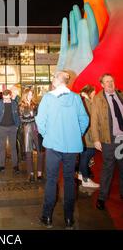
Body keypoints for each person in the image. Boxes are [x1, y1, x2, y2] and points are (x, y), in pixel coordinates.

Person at [35, 70, 89, 229]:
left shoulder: (48, 98)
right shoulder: (76, 98)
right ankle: (68, 219)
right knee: (69, 181)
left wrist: (48, 135)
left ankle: (47, 217)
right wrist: (75, 134)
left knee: (51, 180)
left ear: (55, 81)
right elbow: (84, 120)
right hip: (72, 147)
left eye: (52, 78)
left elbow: (40, 121)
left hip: (53, 145)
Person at [92, 73, 123, 210]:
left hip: (122, 139)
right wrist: (96, 139)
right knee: (107, 169)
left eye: (111, 81)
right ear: (102, 85)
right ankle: (102, 198)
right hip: (108, 139)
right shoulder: (98, 99)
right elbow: (94, 121)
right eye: (107, 82)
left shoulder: (121, 95)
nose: (110, 83)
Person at [18, 88, 44, 182]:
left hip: (37, 130)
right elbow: (22, 120)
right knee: (28, 153)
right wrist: (32, 117)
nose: (30, 96)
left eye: (31, 94)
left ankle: (40, 173)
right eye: (29, 94)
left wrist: (34, 117)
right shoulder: (21, 106)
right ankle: (31, 173)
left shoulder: (35, 105)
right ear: (25, 95)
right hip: (27, 130)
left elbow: (39, 116)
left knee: (40, 152)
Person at [0, 89, 21, 174]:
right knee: (2, 147)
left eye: (7, 98)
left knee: (13, 148)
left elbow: (17, 115)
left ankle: (15, 166)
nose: (5, 100)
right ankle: (1, 166)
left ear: (10, 96)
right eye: (4, 98)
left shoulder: (14, 103)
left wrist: (17, 125)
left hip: (12, 127)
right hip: (2, 128)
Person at [77, 84, 100, 189]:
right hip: (88, 133)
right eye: (94, 93)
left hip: (87, 133)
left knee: (86, 155)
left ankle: (82, 175)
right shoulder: (85, 101)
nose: (94, 94)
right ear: (89, 92)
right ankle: (84, 177)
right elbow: (91, 117)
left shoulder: (84, 100)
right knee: (88, 154)